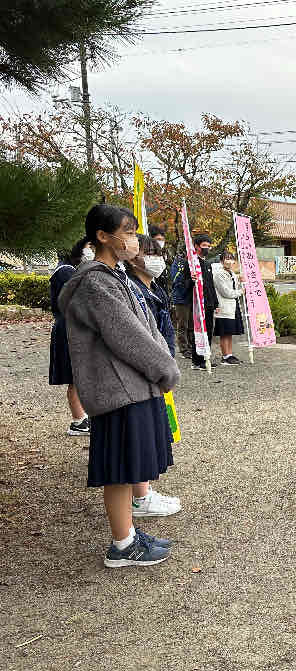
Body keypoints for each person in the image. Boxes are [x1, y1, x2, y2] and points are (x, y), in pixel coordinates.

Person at [59, 204, 180, 567]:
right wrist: (166, 369)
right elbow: (129, 337)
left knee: (128, 466)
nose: (133, 240)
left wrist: (162, 365)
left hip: (131, 386)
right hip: (118, 391)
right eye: (127, 232)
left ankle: (127, 533)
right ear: (102, 235)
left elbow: (147, 328)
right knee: (119, 469)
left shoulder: (115, 276)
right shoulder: (96, 281)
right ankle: (122, 544)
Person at [125, 233, 183, 519]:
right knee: (142, 437)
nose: (156, 259)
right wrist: (162, 370)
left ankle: (144, 492)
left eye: (159, 253)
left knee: (156, 433)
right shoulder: (132, 291)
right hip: (147, 373)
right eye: (150, 252)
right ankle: (140, 496)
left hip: (158, 371)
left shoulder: (153, 288)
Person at [49, 239, 93, 436]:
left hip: (72, 326)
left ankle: (82, 416)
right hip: (69, 327)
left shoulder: (69, 269)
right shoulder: (66, 271)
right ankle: (78, 420)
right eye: (87, 247)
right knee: (74, 375)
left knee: (79, 375)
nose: (90, 251)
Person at [186, 233, 219, 370]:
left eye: (208, 246)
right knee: (199, 331)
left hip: (209, 303)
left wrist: (216, 303)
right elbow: (184, 284)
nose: (206, 248)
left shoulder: (206, 263)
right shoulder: (191, 263)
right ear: (196, 246)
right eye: (204, 245)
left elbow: (211, 285)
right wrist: (191, 280)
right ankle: (197, 360)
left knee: (209, 330)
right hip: (198, 302)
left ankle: (206, 357)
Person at [213, 251, 246, 366]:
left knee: (229, 332)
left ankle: (230, 354)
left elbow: (235, 287)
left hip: (232, 306)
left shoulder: (231, 273)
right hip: (224, 306)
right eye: (226, 258)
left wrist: (240, 281)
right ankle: (225, 356)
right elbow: (226, 292)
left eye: (231, 258)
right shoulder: (219, 274)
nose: (229, 261)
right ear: (221, 261)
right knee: (224, 332)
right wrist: (241, 292)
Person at [170, 248, 192, 358]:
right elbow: (175, 280)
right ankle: (184, 349)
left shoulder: (194, 261)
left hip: (191, 298)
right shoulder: (178, 263)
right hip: (181, 298)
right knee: (183, 324)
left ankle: (192, 347)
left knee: (191, 325)